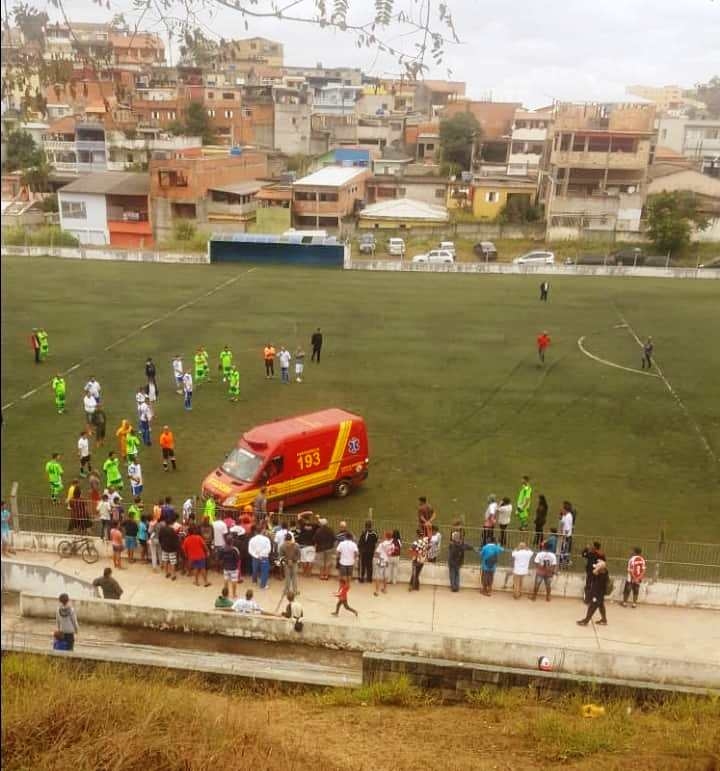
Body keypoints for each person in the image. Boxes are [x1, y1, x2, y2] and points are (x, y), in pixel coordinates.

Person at [577, 560, 609, 626]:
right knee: (601, 606)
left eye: (597, 567)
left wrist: (598, 568)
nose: (595, 568)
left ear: (601, 569)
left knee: (592, 606)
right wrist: (599, 565)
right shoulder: (604, 572)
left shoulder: (602, 574)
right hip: (600, 593)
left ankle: (586, 621)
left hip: (598, 594)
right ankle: (604, 620)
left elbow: (594, 572)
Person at [279, 532, 300, 596]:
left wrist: (293, 560)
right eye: (286, 542)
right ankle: (286, 590)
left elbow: (298, 555)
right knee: (287, 577)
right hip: (286, 563)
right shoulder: (282, 546)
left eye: (289, 542)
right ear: (285, 541)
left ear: (291, 540)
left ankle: (295, 591)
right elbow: (281, 556)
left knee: (294, 577)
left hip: (294, 563)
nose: (288, 543)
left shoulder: (296, 546)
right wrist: (287, 560)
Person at [374, 531, 393, 596]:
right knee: (385, 576)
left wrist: (379, 557)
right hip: (387, 561)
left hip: (381, 561)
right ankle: (385, 589)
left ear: (386, 536)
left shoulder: (381, 544)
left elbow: (377, 553)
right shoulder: (392, 544)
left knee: (378, 576)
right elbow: (390, 553)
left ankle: (377, 591)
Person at [559, 502, 574, 568]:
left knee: (564, 551)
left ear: (565, 509)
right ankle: (564, 562)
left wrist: (563, 538)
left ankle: (564, 563)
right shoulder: (565, 515)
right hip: (565, 536)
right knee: (563, 551)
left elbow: (567, 530)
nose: (561, 509)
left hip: (566, 537)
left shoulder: (568, 516)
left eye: (562, 508)